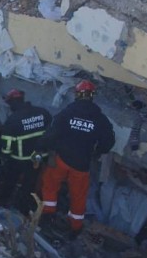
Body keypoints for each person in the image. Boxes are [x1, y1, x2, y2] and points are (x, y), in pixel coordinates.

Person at [40, 80, 115, 235]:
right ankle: (75, 227)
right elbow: (108, 142)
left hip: (61, 159)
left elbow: (51, 134)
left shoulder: (67, 113)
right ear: (92, 96)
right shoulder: (100, 119)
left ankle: (47, 215)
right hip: (82, 163)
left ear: (77, 94)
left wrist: (43, 149)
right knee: (78, 196)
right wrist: (97, 152)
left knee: (50, 185)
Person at [0, 89, 52, 215]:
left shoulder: (13, 120)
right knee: (30, 183)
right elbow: (50, 132)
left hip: (19, 158)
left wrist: (4, 156)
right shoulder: (42, 113)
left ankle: (3, 202)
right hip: (38, 156)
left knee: (10, 180)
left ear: (13, 103)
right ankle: (24, 208)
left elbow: (7, 144)